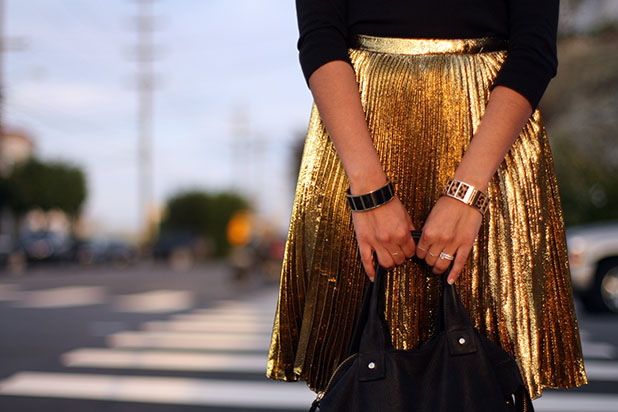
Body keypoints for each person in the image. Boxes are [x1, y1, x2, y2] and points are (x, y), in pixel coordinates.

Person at [267, 0, 587, 399]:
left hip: (487, 142)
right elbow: (320, 36)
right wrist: (369, 189)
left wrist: (467, 192)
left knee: (485, 385)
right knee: (362, 390)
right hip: (360, 139)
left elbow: (534, 48)